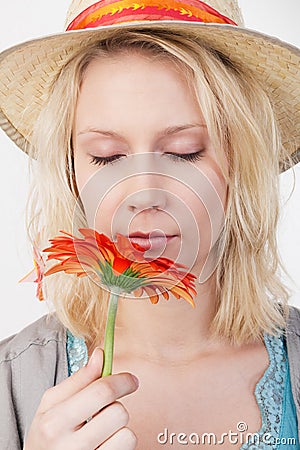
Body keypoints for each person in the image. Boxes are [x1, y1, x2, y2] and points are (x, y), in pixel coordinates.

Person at [0, 0, 300, 449]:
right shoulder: (12, 381)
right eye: (107, 156)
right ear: (70, 171)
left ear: (241, 164)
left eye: (183, 152)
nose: (142, 192)